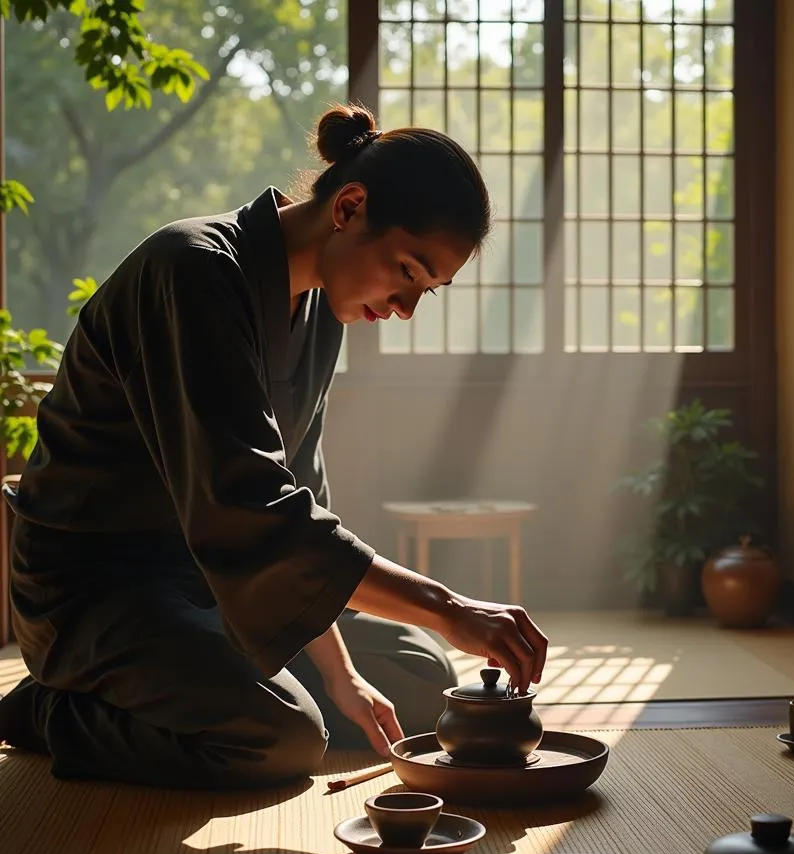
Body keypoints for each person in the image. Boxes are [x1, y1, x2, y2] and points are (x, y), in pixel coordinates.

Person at [0, 102, 548, 790]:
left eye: (427, 291)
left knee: (419, 676)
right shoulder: (191, 270)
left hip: (218, 585)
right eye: (407, 270)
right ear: (349, 206)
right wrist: (449, 605)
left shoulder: (322, 310)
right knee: (281, 739)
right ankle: (53, 708)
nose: (405, 308)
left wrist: (342, 673)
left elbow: (297, 513)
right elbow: (252, 513)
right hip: (101, 591)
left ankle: (211, 685)